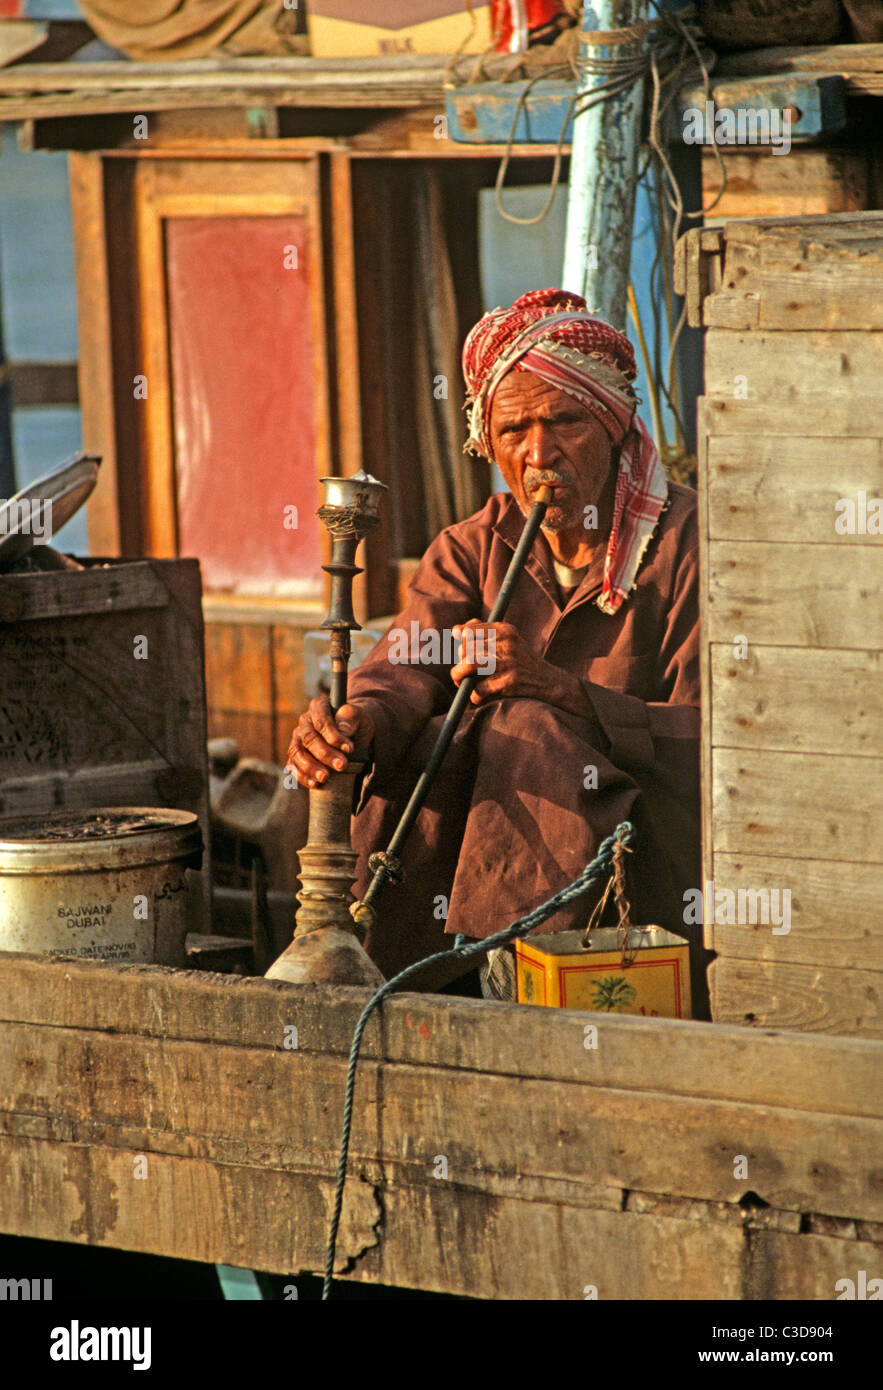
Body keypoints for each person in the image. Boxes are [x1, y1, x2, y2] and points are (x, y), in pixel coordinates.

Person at [287, 289, 709, 1014]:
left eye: (564, 420)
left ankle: (512, 996)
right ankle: (373, 986)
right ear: (489, 443)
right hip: (459, 870)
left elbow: (716, 745)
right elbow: (403, 673)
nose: (538, 453)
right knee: (405, 744)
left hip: (649, 871)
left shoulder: (689, 546)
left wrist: (559, 691)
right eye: (514, 429)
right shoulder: (470, 548)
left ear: (611, 425)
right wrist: (353, 723)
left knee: (528, 727)